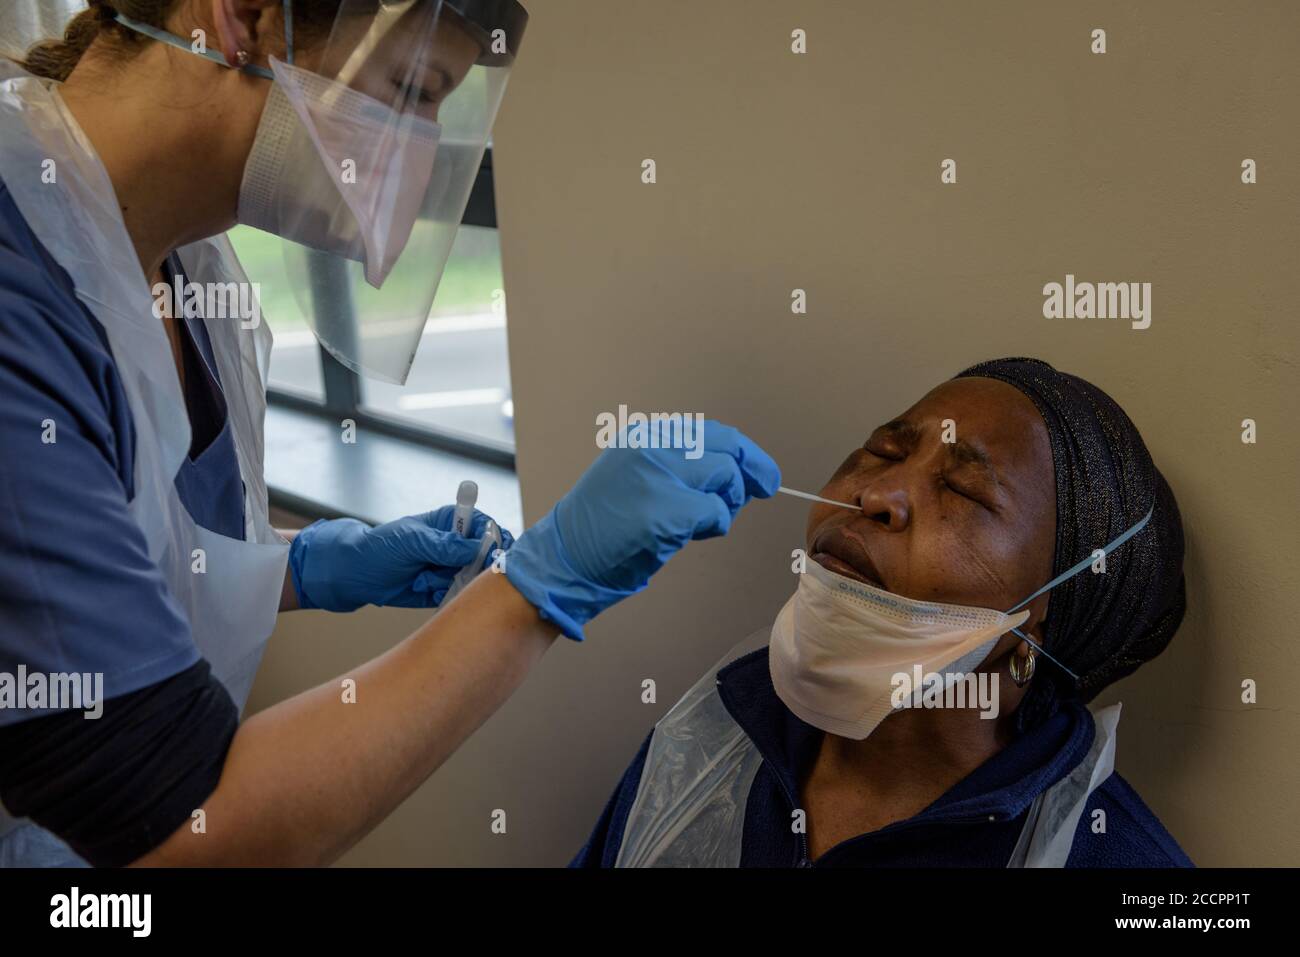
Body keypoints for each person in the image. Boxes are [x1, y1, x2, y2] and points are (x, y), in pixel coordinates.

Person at [0, 0, 781, 866]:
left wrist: (296, 567)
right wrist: (538, 587)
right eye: (411, 86)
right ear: (242, 18)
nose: (422, 149)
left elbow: (116, 546)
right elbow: (184, 832)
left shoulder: (183, 259)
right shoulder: (18, 298)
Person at [574, 357, 1193, 868]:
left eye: (963, 490)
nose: (875, 496)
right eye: (881, 450)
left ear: (1040, 619)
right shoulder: (718, 732)